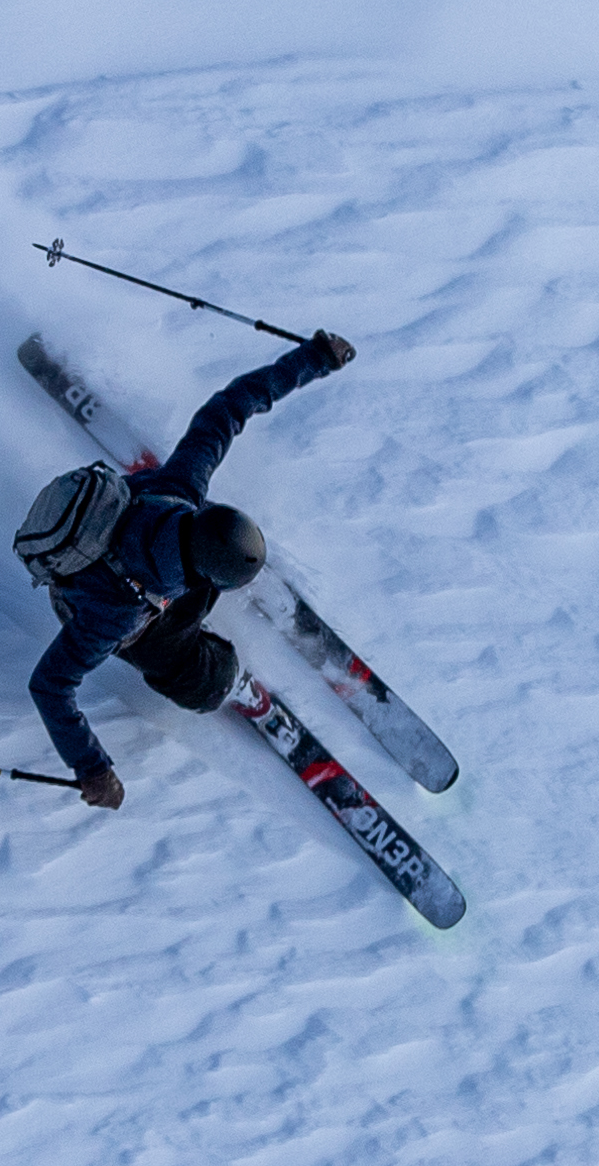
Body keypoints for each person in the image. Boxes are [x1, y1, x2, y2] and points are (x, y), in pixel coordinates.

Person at [24, 329, 354, 808]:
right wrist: (93, 767)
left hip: (149, 530)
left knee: (178, 550)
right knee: (193, 677)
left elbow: (230, 407)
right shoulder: (110, 617)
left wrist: (314, 358)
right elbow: (49, 686)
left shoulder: (182, 485)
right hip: (117, 610)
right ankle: (223, 679)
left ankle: (218, 577)